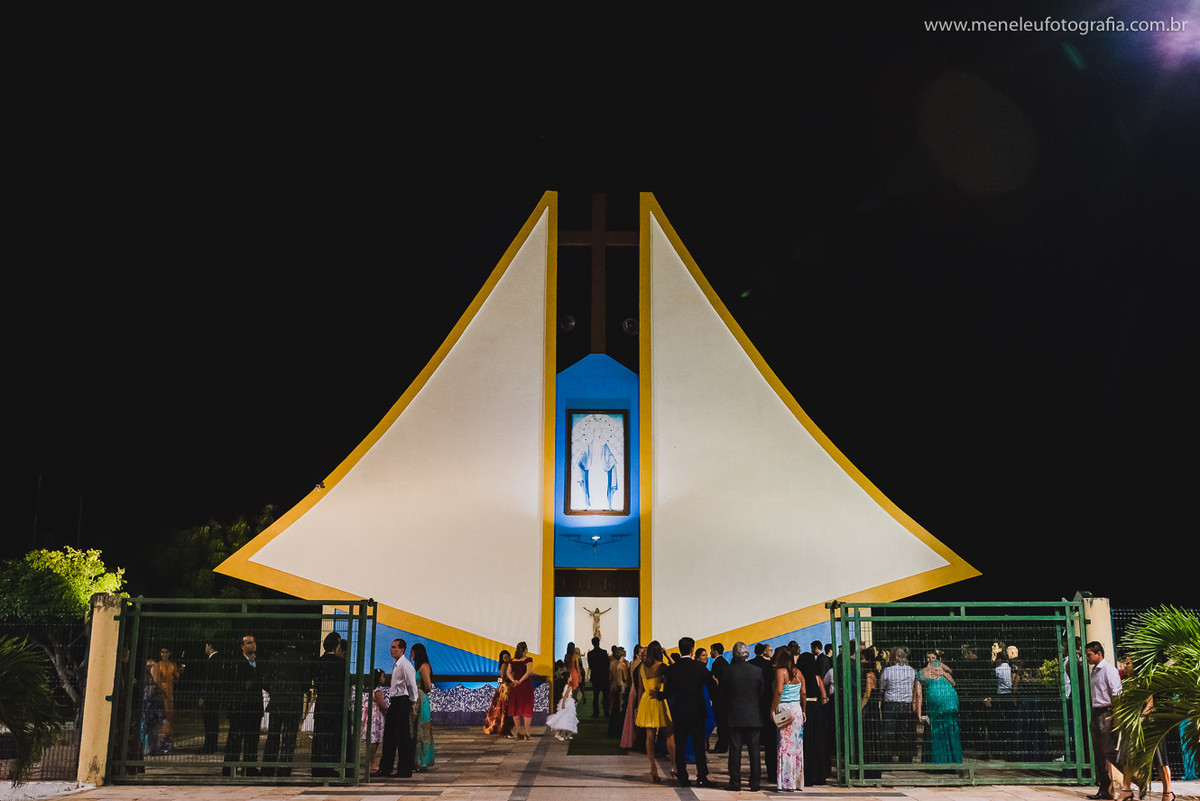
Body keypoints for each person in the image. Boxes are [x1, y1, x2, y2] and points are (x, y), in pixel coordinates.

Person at [666, 637, 717, 788]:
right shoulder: (699, 667)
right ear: (692, 649)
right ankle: (702, 776)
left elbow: (668, 691)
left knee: (680, 746)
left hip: (680, 712)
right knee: (699, 746)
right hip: (697, 712)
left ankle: (682, 776)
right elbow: (711, 683)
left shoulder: (673, 668)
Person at [723, 641, 766, 792]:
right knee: (754, 752)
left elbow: (722, 695)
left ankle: (735, 782)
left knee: (735, 751)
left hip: (734, 716)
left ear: (734, 654)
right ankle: (755, 783)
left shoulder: (726, 671)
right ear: (747, 653)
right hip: (754, 717)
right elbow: (762, 695)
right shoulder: (757, 671)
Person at [262, 642, 306, 777]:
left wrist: (276, 692)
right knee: (289, 738)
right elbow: (305, 683)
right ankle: (284, 769)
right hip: (293, 704)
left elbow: (266, 681)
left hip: (277, 703)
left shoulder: (275, 657)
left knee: (273, 736)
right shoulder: (300, 658)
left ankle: (267, 768)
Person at [1086, 641, 1123, 800]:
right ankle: (1104, 789)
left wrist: (1116, 717)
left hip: (1107, 712)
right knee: (1098, 754)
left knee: (1108, 750)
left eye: (1089, 655)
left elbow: (1116, 694)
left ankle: (1132, 777)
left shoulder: (1109, 670)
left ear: (1099, 654)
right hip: (1096, 712)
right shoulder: (1095, 671)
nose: (1087, 658)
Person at [223, 634, 264, 776]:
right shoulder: (236, 663)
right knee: (235, 740)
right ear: (242, 646)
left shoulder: (259, 662)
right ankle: (230, 769)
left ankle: (250, 768)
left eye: (253, 642)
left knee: (252, 740)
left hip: (254, 708)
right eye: (248, 643)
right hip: (239, 708)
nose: (252, 645)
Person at [377, 637, 418, 778]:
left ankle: (404, 770)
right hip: (395, 701)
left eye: (395, 647)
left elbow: (412, 685)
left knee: (402, 736)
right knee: (390, 735)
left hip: (402, 701)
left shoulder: (405, 665)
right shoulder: (397, 665)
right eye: (391, 646)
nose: (391, 649)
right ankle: (386, 768)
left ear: (402, 650)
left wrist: (412, 700)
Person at [635, 640, 675, 783]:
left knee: (649, 737)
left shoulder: (641, 668)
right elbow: (676, 670)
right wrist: (668, 655)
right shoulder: (662, 666)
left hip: (646, 700)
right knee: (669, 734)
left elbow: (640, 690)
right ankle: (673, 766)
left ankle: (653, 768)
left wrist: (639, 707)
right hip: (658, 700)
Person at [916, 650, 962, 764]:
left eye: (932, 657)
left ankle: (940, 762)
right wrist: (944, 673)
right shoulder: (941, 669)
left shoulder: (921, 673)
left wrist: (918, 713)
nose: (930, 659)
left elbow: (918, 695)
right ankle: (954, 760)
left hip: (936, 700)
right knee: (951, 729)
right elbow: (953, 682)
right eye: (928, 657)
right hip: (951, 700)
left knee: (937, 730)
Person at [772, 645, 806, 792]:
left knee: (785, 747)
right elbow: (803, 693)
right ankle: (798, 781)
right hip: (797, 709)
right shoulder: (798, 673)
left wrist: (772, 709)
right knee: (797, 747)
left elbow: (779, 691)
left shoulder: (781, 672)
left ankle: (787, 782)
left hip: (785, 709)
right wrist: (804, 710)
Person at [312, 632, 345, 778]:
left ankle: (317, 766)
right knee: (331, 737)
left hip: (322, 703)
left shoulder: (318, 662)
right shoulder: (340, 664)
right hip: (336, 705)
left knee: (320, 736)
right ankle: (329, 767)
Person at [797, 640, 829, 784]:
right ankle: (819, 775)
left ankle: (806, 775)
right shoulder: (816, 678)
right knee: (818, 742)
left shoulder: (798, 678)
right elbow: (823, 696)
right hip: (816, 709)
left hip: (803, 709)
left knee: (805, 742)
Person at [879, 646, 918, 763]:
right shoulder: (911, 671)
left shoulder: (888, 671)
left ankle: (887, 758)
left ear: (895, 657)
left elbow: (882, 686)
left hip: (891, 703)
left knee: (888, 732)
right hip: (906, 704)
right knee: (904, 732)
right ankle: (905, 758)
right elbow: (913, 686)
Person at [750, 643, 778, 785]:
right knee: (772, 743)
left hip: (754, 707)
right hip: (770, 706)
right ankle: (774, 773)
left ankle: (755, 774)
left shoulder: (751, 665)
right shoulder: (770, 668)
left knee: (754, 743)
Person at [411, 643, 435, 770]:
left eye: (413, 652)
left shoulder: (424, 666)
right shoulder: (417, 666)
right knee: (415, 730)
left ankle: (422, 761)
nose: (411, 655)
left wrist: (418, 690)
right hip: (416, 699)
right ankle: (416, 760)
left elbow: (428, 686)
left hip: (422, 700)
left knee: (422, 729)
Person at [507, 641, 535, 740]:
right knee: (527, 708)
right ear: (524, 650)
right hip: (525, 686)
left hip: (515, 687)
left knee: (516, 709)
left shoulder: (512, 660)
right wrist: (520, 681)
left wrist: (514, 680)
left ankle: (518, 732)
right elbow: (528, 672)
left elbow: (508, 672)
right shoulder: (528, 659)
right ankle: (527, 733)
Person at [197, 641, 222, 753]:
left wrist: (203, 696)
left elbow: (209, 680)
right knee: (212, 721)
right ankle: (212, 745)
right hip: (215, 695)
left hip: (210, 696)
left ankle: (209, 746)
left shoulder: (212, 660)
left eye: (206, 646)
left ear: (210, 645)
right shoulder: (218, 659)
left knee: (209, 722)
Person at [483, 650, 514, 737]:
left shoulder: (510, 664)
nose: (507, 658)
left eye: (508, 656)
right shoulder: (505, 665)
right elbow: (503, 677)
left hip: (508, 687)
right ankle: (504, 729)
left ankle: (506, 729)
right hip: (505, 689)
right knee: (505, 710)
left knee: (506, 710)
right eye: (504, 657)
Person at [362, 669, 389, 770]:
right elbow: (381, 704)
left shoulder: (371, 689)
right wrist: (388, 709)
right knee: (374, 740)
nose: (384, 678)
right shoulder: (378, 690)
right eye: (383, 676)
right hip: (376, 716)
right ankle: (371, 761)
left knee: (374, 740)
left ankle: (371, 761)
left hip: (372, 714)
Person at [621, 644, 644, 750]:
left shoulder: (632, 663)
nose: (643, 655)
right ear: (637, 654)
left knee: (631, 714)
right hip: (636, 690)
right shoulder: (639, 664)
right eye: (641, 653)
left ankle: (632, 738)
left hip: (632, 689)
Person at [709, 642, 730, 753]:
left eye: (711, 650)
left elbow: (715, 681)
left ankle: (722, 746)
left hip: (719, 698)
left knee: (721, 723)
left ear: (715, 651)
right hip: (724, 698)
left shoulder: (717, 663)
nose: (710, 652)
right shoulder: (725, 662)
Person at [586, 636, 610, 717]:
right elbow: (607, 664)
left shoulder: (590, 654)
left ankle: (596, 713)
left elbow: (591, 666)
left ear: (592, 643)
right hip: (604, 676)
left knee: (595, 696)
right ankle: (606, 712)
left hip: (595, 676)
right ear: (599, 643)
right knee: (605, 696)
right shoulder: (604, 652)